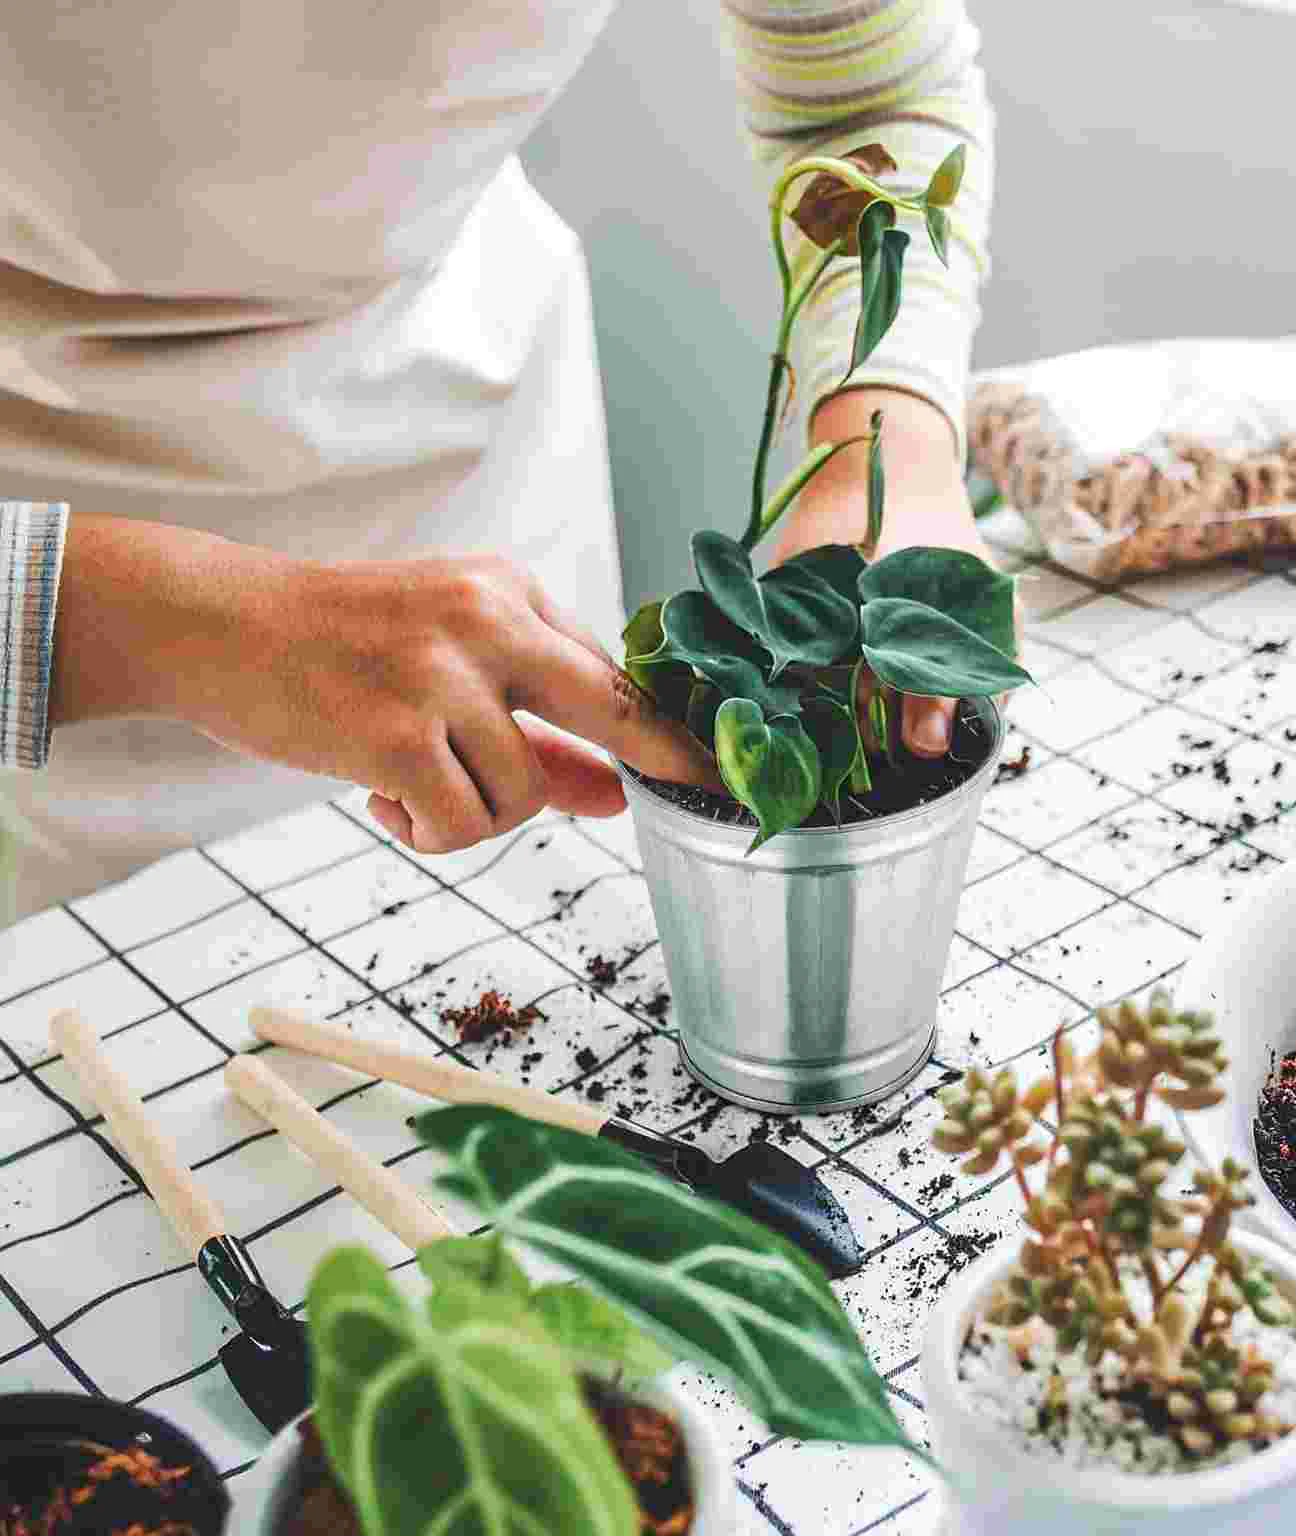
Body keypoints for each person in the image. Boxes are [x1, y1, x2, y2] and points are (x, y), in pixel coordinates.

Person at [0, 1, 996, 924]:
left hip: (484, 495)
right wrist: (169, 625)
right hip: (55, 603)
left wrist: (889, 439)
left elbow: (862, 87)